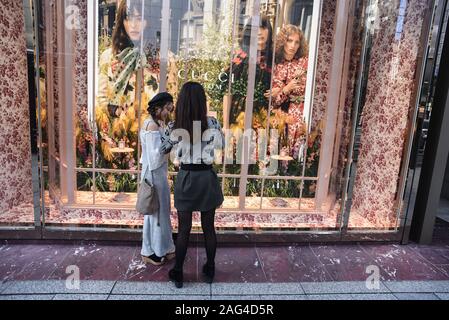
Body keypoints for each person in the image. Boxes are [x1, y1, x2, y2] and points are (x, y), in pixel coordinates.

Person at [161, 82, 224, 288]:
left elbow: (163, 149)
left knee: (184, 229)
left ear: (182, 102)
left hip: (186, 177)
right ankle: (210, 269)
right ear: (203, 102)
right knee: (208, 228)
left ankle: (178, 272)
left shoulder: (174, 126)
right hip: (206, 177)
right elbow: (221, 146)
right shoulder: (212, 122)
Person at [139, 92, 176, 266]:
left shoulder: (156, 124)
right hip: (153, 175)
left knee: (161, 213)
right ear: (158, 107)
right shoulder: (151, 126)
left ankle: (165, 247)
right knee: (156, 214)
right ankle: (152, 251)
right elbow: (154, 159)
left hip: (158, 174)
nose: (168, 112)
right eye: (167, 109)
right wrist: (170, 143)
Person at [271, 24, 309, 159]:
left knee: (299, 154)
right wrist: (287, 89)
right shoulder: (276, 65)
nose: (293, 45)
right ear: (283, 41)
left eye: (297, 42)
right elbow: (275, 101)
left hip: (301, 113)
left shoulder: (305, 62)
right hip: (281, 117)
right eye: (289, 40)